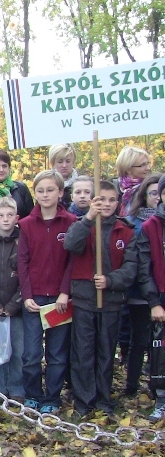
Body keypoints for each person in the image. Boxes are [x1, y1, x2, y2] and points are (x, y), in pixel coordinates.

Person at [64, 181, 137, 417]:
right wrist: (88, 219)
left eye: (111, 200)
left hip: (111, 302)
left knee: (106, 352)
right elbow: (70, 245)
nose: (106, 204)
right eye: (101, 199)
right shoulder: (82, 225)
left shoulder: (125, 231)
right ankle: (84, 400)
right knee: (83, 352)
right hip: (85, 299)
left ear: (118, 202)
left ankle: (104, 399)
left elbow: (131, 267)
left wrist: (111, 280)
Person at [17, 170, 77, 414]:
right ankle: (33, 394)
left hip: (59, 300)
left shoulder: (71, 223)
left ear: (60, 192)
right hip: (34, 299)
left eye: (50, 190)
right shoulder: (27, 224)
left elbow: (73, 262)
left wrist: (65, 292)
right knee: (31, 353)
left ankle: (52, 397)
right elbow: (22, 262)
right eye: (40, 190)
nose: (45, 195)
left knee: (57, 353)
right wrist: (27, 295)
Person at [119, 173, 162, 397]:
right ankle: (132, 384)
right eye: (152, 193)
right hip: (139, 289)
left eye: (159, 193)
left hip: (161, 288)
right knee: (139, 339)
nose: (156, 198)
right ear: (144, 195)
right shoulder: (133, 222)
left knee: (159, 341)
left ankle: (157, 383)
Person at [0, 197, 24, 400]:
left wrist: (12, 305)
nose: (5, 219)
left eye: (10, 215)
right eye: (1, 215)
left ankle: (17, 388)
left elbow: (26, 277)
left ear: (17, 218)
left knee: (18, 349)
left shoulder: (23, 243)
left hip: (16, 307)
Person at [138, 173, 165, 421]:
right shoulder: (150, 227)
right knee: (160, 351)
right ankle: (161, 398)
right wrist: (154, 302)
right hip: (161, 296)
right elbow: (144, 268)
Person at [0, 149, 35, 233]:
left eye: (4, 166)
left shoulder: (21, 188)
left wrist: (16, 230)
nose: (1, 170)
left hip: (20, 237)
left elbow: (30, 216)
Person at [116, 146, 152, 217]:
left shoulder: (150, 187)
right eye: (143, 165)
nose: (148, 168)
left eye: (148, 163)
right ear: (128, 169)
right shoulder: (115, 188)